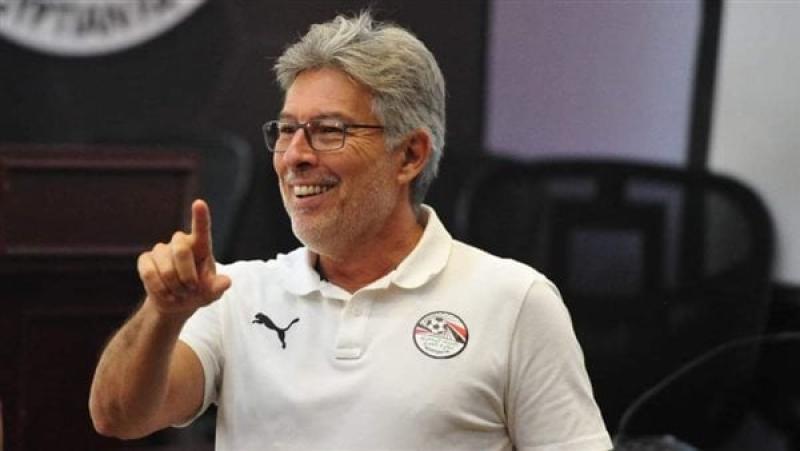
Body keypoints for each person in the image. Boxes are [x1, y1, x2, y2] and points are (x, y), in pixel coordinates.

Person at [89, 11, 612, 450]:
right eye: (287, 130)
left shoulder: (515, 301)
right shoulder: (233, 293)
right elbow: (118, 417)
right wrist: (163, 313)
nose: (294, 156)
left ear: (409, 155)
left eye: (328, 131)